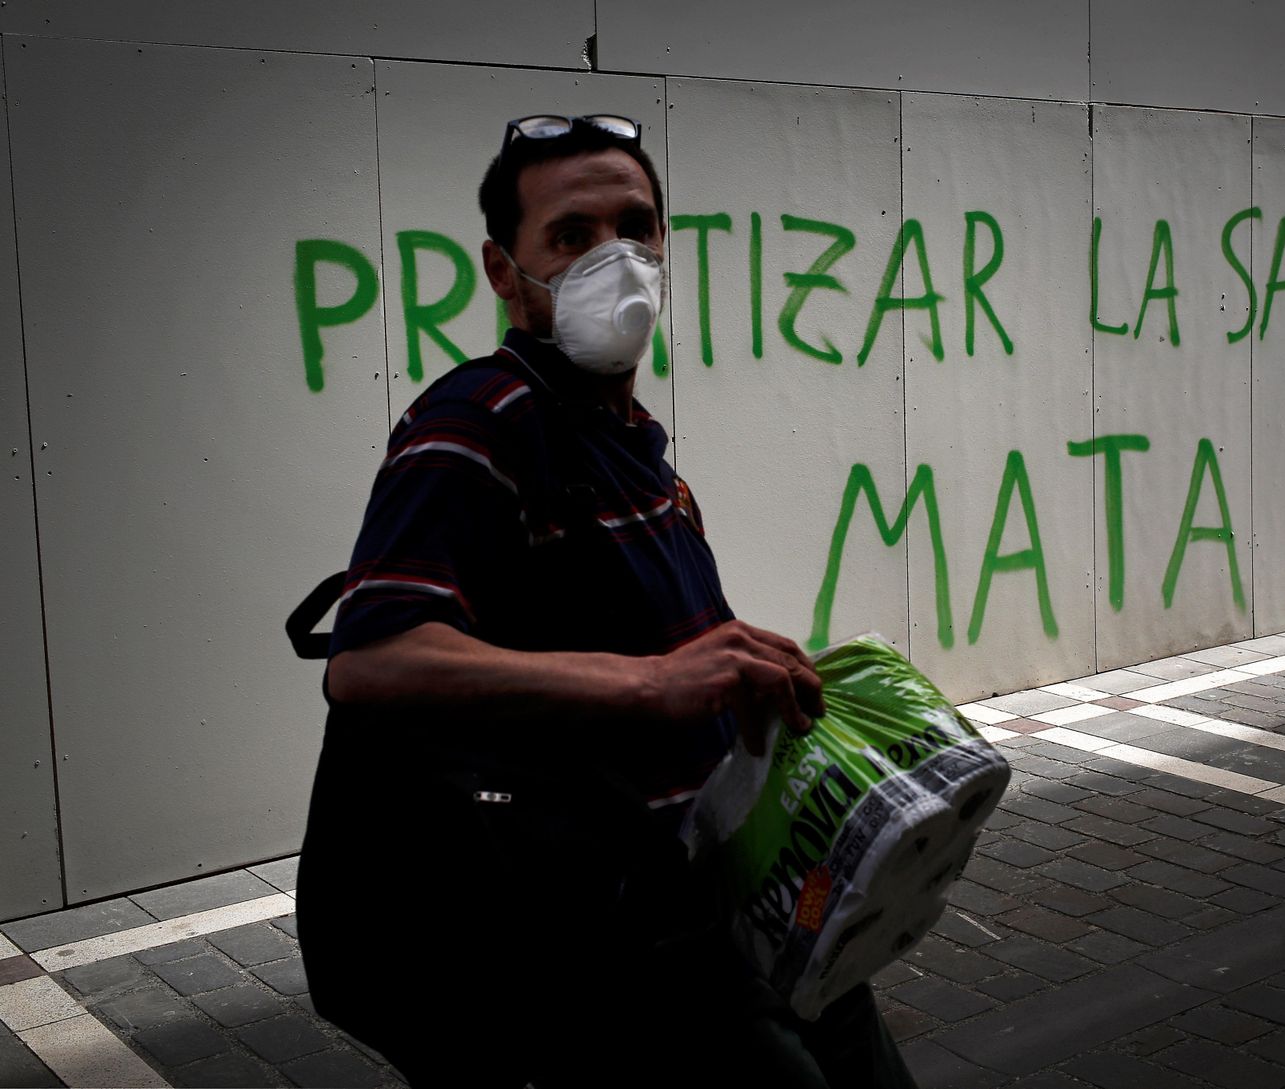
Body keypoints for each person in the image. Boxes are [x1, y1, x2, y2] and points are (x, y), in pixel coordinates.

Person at [294, 114, 918, 1088]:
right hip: (600, 939)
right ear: (507, 273)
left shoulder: (632, 447)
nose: (616, 259)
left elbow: (663, 660)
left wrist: (739, 669)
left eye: (636, 228)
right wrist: (652, 681)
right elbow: (375, 659)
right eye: (573, 236)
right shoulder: (475, 423)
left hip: (717, 900)